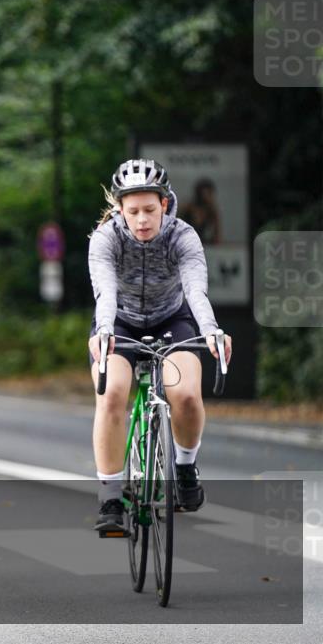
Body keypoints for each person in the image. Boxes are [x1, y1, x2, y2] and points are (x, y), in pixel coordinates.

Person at [87, 159, 233, 534]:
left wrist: (212, 330)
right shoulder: (107, 238)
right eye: (132, 211)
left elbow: (196, 291)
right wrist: (103, 331)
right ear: (120, 209)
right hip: (119, 321)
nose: (141, 220)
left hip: (173, 318)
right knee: (113, 393)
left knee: (184, 394)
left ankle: (184, 466)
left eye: (150, 210)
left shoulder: (182, 236)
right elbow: (104, 292)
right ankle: (111, 497)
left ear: (165, 204)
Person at [178, 178, 222, 245]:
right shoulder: (187, 208)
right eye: (206, 194)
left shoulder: (211, 211)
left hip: (201, 242)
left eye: (210, 194)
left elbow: (217, 237)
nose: (209, 198)